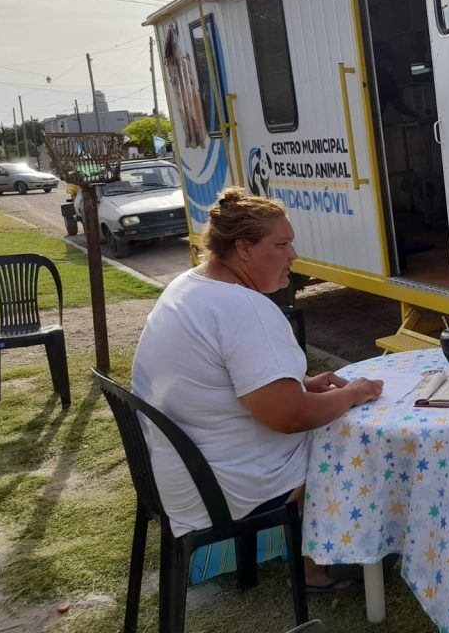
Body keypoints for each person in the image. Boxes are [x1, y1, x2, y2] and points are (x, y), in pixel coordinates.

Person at [130, 187, 384, 592]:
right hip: (219, 486)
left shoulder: (190, 285)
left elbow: (215, 370)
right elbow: (289, 417)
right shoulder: (245, 309)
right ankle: (316, 569)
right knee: (349, 439)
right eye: (282, 244)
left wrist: (299, 382)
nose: (293, 255)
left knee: (331, 418)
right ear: (244, 249)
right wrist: (353, 393)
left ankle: (318, 553)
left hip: (178, 472)